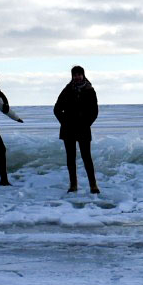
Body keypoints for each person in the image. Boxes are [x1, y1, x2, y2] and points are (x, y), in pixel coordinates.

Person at [53, 65, 99, 194]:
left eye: (79, 74)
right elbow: (56, 109)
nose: (77, 77)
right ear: (72, 76)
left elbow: (94, 111)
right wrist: (64, 122)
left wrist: (87, 123)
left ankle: (93, 185)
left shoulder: (90, 90)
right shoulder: (67, 90)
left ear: (83, 75)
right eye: (75, 75)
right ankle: (73, 185)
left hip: (83, 128)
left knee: (87, 157)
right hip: (68, 129)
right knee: (70, 158)